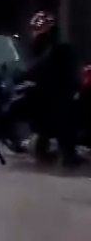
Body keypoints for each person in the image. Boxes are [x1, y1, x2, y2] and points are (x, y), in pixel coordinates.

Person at [21, 11, 82, 166]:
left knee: (60, 123)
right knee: (49, 123)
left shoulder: (57, 46)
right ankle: (52, 154)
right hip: (53, 90)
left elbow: (42, 65)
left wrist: (26, 74)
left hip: (59, 91)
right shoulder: (48, 45)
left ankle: (67, 156)